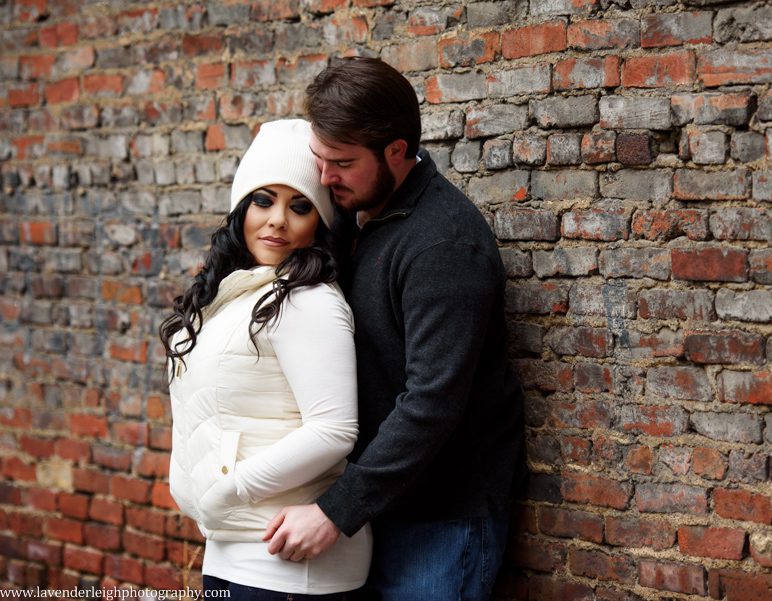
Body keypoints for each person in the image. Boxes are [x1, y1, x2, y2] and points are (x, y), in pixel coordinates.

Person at [262, 57, 526, 601]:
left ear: (397, 151)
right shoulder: (349, 213)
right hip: (371, 507)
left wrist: (336, 511)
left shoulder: (443, 244)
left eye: (342, 163)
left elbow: (431, 402)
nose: (325, 176)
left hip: (439, 521)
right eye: (320, 159)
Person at [159, 119, 372, 599]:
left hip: (289, 562)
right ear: (241, 208)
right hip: (229, 546)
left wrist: (227, 490)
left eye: (299, 206)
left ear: (318, 222)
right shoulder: (234, 294)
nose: (278, 219)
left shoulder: (306, 299)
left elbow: (333, 430)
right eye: (263, 200)